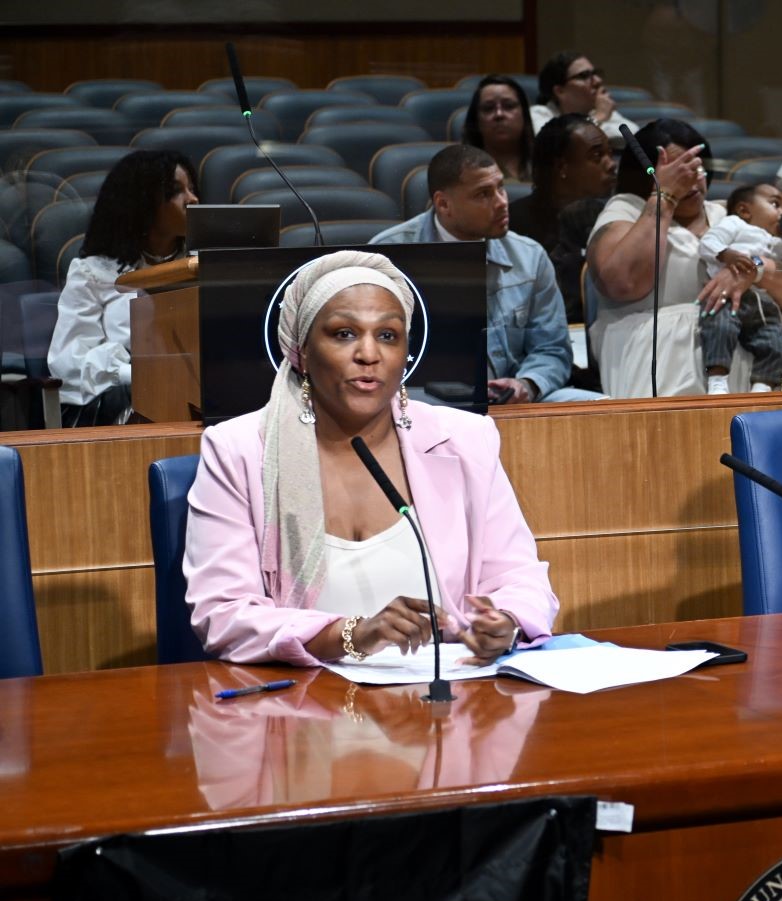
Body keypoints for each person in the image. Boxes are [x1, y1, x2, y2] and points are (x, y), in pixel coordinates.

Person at [184, 250, 557, 666]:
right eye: (344, 333)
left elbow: (520, 578)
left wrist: (504, 622)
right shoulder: (238, 451)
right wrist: (352, 634)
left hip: (447, 700)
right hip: (305, 706)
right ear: (302, 352)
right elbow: (223, 614)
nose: (369, 354)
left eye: (388, 335)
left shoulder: (466, 441)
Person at [590, 120, 782, 397]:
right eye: (678, 170)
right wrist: (665, 196)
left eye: (697, 167)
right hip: (658, 349)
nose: (692, 178)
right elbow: (623, 283)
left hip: (755, 342)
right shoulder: (625, 211)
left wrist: (755, 269)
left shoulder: (728, 215)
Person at [370, 145, 600, 404]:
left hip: (511, 401)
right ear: (444, 204)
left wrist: (527, 384)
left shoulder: (529, 257)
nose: (502, 202)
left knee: (599, 406)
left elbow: (552, 348)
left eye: (500, 188)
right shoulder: (389, 257)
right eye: (483, 194)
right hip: (419, 404)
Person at [49, 148, 197, 427]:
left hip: (199, 395)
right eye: (178, 191)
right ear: (142, 202)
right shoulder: (93, 272)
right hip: (123, 405)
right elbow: (69, 363)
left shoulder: (200, 266)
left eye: (192, 189)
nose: (193, 199)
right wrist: (134, 374)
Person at [696, 184, 782, 393]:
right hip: (728, 296)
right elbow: (708, 242)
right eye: (775, 204)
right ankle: (717, 381)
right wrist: (726, 254)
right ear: (745, 210)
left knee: (775, 343)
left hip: (764, 304)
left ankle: (762, 387)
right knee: (719, 330)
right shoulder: (734, 224)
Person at [512, 114, 616, 323]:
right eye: (597, 156)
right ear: (562, 168)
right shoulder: (512, 225)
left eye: (610, 154)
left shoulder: (616, 218)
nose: (611, 164)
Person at [529, 50, 638, 140]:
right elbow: (556, 144)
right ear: (560, 91)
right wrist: (598, 118)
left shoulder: (598, 112)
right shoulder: (538, 114)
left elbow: (634, 133)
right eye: (584, 76)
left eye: (595, 73)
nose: (598, 81)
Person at [461, 75, 533, 183]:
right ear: (476, 121)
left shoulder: (549, 165)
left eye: (509, 106)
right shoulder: (460, 172)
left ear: (524, 115)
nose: (499, 114)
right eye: (488, 108)